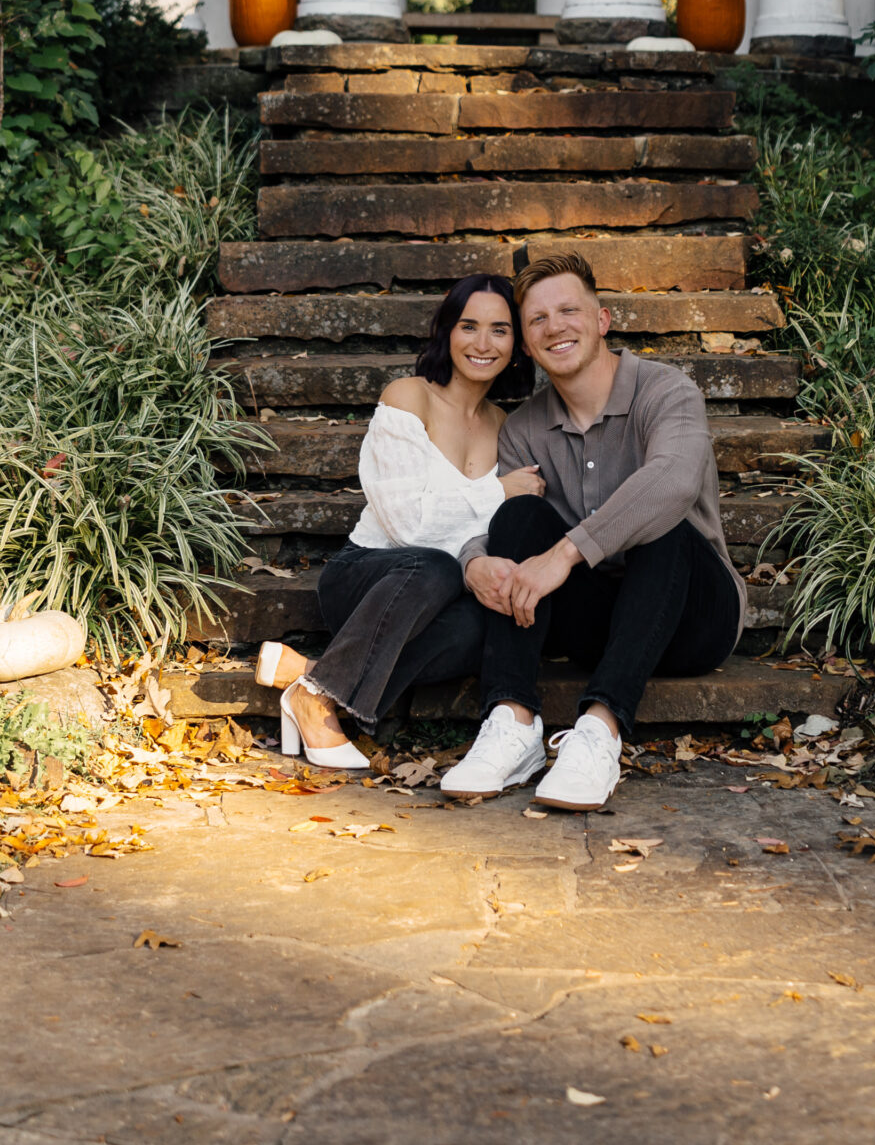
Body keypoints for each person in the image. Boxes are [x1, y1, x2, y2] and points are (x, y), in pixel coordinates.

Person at [440, 250, 746, 812]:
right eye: (537, 320)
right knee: (518, 515)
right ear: (527, 346)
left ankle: (600, 730)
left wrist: (566, 552)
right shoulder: (526, 428)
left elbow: (674, 482)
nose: (555, 327)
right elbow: (498, 522)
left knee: (663, 523)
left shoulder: (666, 391)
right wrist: (472, 560)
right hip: (596, 621)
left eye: (569, 311)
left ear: (602, 319)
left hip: (691, 615)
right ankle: (512, 721)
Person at [256, 274, 544, 768]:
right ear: (446, 332)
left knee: (484, 628)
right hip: (371, 579)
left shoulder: (506, 426)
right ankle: (315, 701)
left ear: (516, 343)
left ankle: (315, 677)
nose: (481, 343)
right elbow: (410, 524)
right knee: (434, 566)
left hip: (436, 606)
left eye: (499, 330)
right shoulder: (409, 397)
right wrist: (498, 490)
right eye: (468, 326)